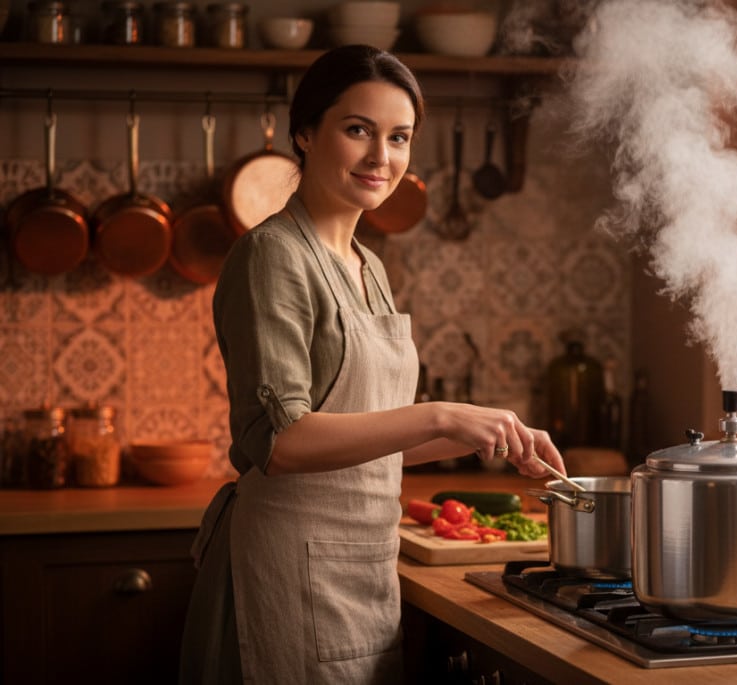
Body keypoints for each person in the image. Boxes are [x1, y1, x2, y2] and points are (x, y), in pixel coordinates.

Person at [178, 44, 568, 684]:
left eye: (399, 137)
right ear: (304, 133)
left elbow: (366, 437)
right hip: (287, 565)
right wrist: (442, 413)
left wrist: (490, 436)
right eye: (358, 129)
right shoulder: (272, 256)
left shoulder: (368, 265)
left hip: (362, 569)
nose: (380, 157)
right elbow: (279, 441)